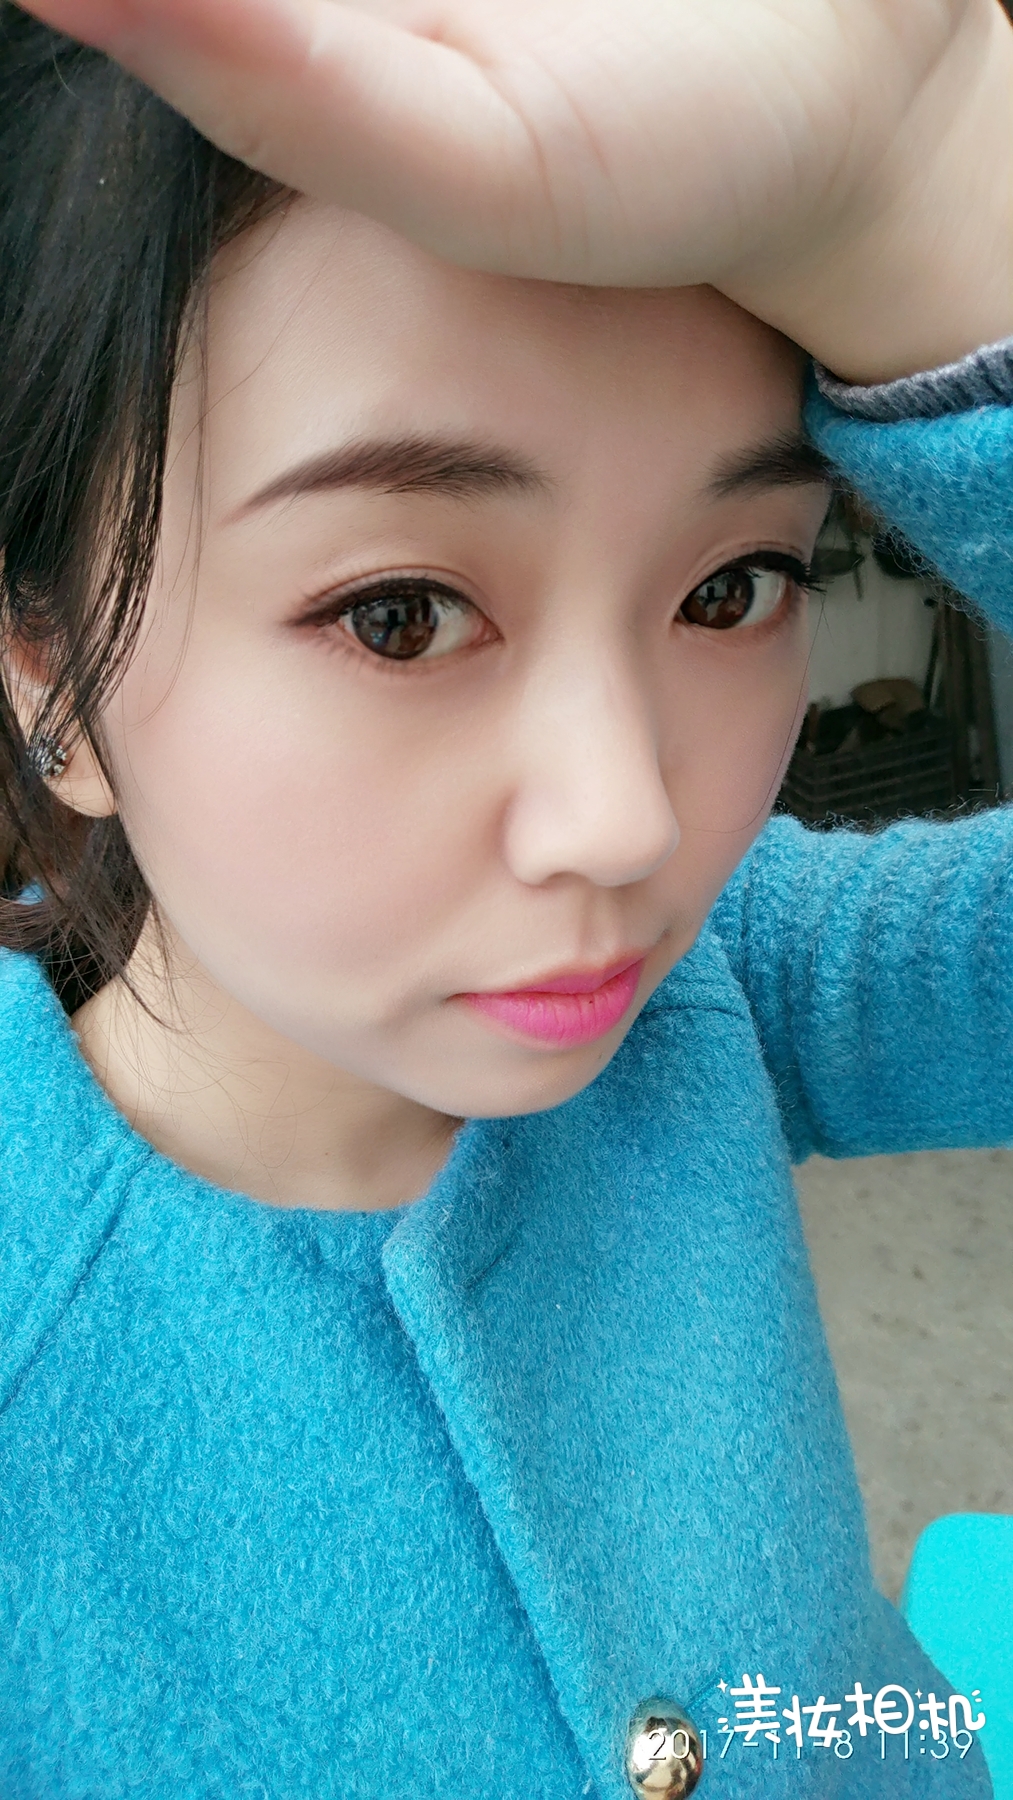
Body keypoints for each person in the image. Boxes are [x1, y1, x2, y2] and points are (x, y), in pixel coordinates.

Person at [1, 2, 1011, 1797]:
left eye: (731, 589)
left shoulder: (726, 984)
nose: (626, 817)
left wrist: (941, 182)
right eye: (400, 615)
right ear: (50, 682)